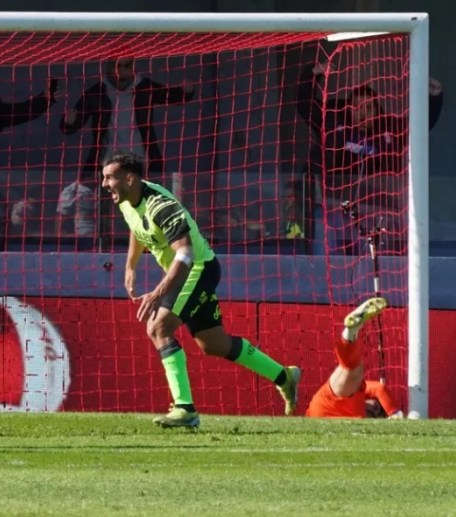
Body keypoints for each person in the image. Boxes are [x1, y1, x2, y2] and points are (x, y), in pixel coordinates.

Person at [101, 150, 300, 428]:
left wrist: (158, 292)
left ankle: (185, 409)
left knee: (158, 328)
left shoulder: (161, 206)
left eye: (110, 177)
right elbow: (138, 228)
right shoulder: (126, 200)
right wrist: (130, 266)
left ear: (130, 179)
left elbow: (185, 254)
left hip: (197, 268)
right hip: (185, 271)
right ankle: (284, 376)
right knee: (214, 344)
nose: (104, 184)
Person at [297, 60, 444, 255]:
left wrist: (433, 99)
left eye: (368, 108)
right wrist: (313, 74)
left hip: (372, 210)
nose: (363, 114)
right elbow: (305, 105)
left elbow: (420, 126)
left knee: (369, 260)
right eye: (357, 108)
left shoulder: (390, 130)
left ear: (377, 110)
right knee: (324, 253)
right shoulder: (332, 122)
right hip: (332, 207)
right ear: (348, 109)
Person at [62, 58, 195, 175]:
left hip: (139, 160)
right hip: (108, 162)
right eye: (118, 66)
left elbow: (169, 95)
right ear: (110, 68)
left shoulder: (145, 88)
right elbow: (74, 121)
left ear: (132, 68)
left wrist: (186, 92)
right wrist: (70, 122)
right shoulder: (96, 93)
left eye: (126, 66)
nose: (121, 71)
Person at [306, 297, 403, 419]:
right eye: (377, 406)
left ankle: (350, 333)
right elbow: (379, 388)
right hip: (327, 404)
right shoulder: (359, 393)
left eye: (377, 414)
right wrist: (394, 412)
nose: (375, 410)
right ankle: (350, 333)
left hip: (322, 420)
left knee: (352, 371)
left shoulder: (362, 420)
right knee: (351, 370)